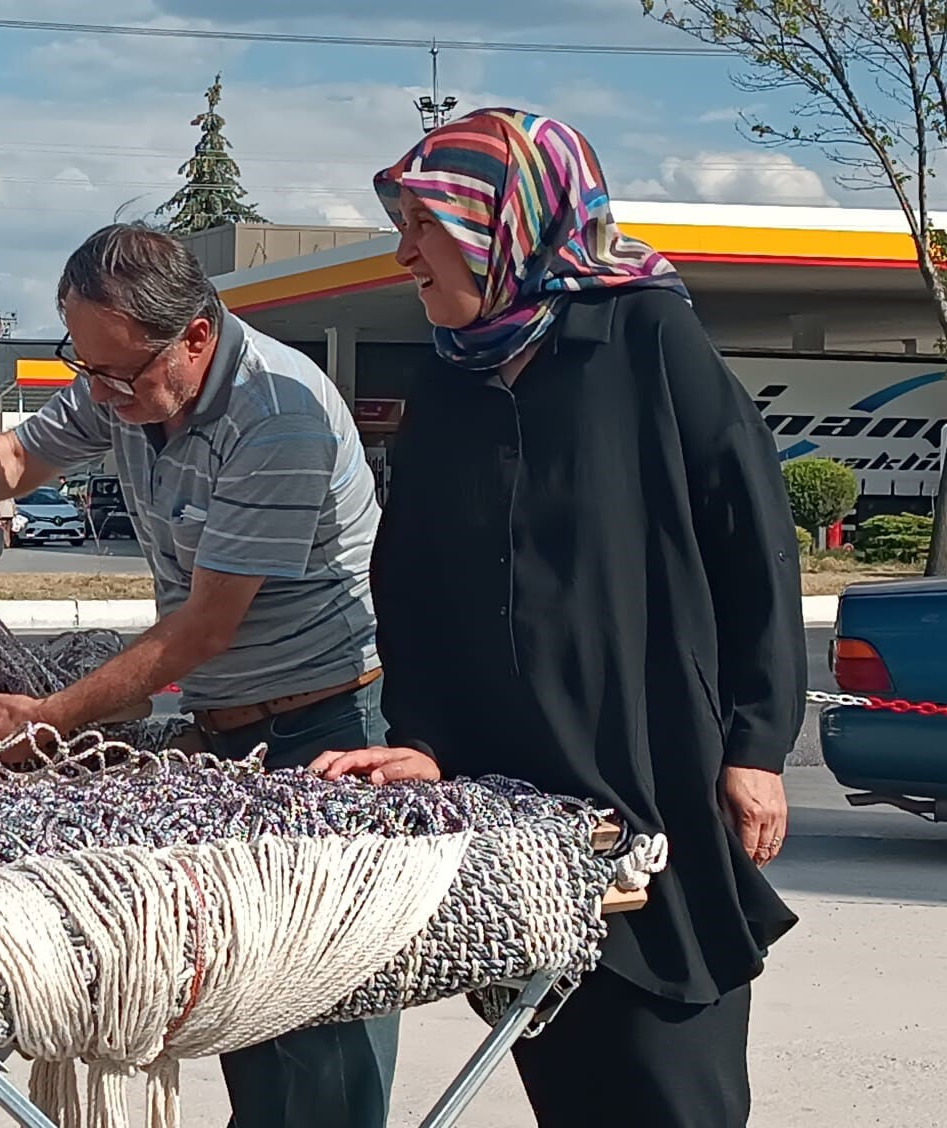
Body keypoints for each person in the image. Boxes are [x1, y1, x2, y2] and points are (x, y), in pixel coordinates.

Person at [311, 107, 804, 1127]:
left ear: (505, 222)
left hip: (652, 775)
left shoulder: (640, 333)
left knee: (674, 1089)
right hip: (521, 816)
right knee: (569, 1084)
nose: (402, 252)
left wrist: (755, 743)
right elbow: (416, 581)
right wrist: (423, 744)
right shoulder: (449, 369)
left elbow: (750, 540)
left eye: (422, 223)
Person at [0, 222, 394, 1128]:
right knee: (252, 1012)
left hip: (325, 729)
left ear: (197, 338)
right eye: (84, 367)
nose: (102, 394)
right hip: (233, 732)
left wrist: (50, 718)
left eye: (120, 374)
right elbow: (15, 463)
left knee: (320, 1030)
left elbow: (201, 633)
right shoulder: (126, 384)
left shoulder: (277, 412)